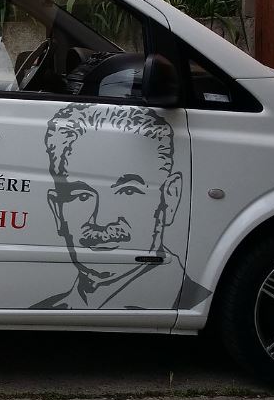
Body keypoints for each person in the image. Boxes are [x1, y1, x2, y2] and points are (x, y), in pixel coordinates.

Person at [36, 103, 210, 309]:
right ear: (57, 210)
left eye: (127, 191)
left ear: (170, 198)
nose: (101, 220)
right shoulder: (48, 309)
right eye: (82, 196)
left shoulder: (194, 303)